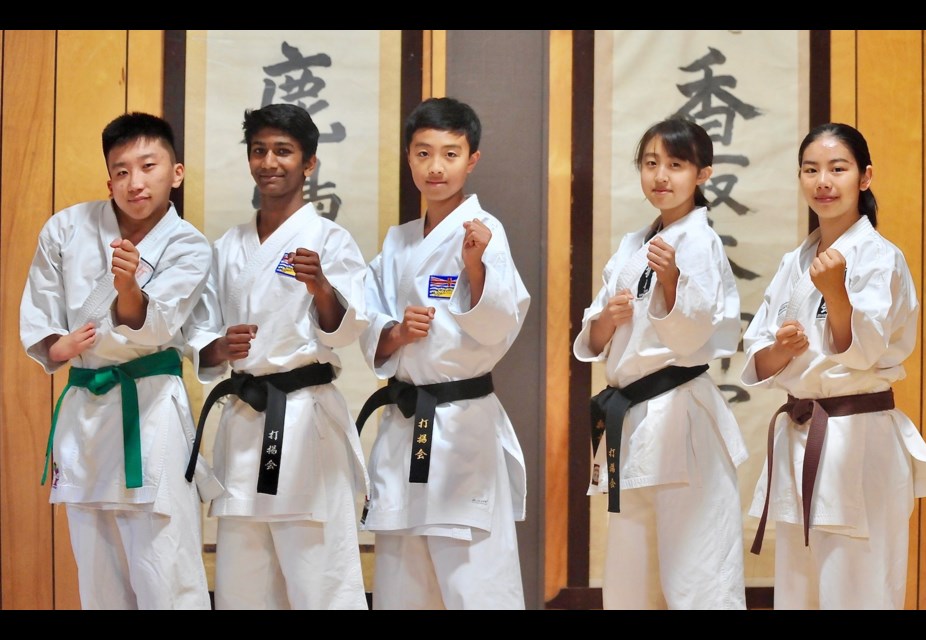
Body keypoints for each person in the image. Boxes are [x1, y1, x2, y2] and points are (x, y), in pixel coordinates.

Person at [19, 112, 219, 609]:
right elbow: (42, 308)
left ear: (176, 173)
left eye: (148, 165)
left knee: (164, 565)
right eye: (122, 170)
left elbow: (155, 326)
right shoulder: (65, 227)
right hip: (86, 409)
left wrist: (128, 285)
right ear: (109, 179)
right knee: (97, 567)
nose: (135, 181)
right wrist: (54, 345)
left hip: (149, 410)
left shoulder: (188, 244)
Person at [741, 122, 926, 610]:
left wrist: (837, 295)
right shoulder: (797, 259)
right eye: (811, 170)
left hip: (858, 439)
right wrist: (784, 350)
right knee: (798, 591)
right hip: (799, 437)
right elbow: (759, 356)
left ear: (864, 177)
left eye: (838, 168)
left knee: (859, 590)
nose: (823, 182)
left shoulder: (879, 258)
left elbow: (865, 351)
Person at [182, 103, 371, 610]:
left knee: (320, 576)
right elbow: (200, 329)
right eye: (259, 150)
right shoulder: (227, 247)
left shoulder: (329, 240)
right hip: (243, 419)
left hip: (305, 418)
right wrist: (219, 347)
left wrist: (322, 287)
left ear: (308, 164)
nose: (269, 162)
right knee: (244, 577)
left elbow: (349, 327)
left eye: (283, 151)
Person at [355, 96, 530, 610]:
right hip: (404, 418)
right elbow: (368, 320)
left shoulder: (483, 232)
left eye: (450, 154)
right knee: (402, 577)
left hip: (459, 427)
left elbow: (502, 321)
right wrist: (394, 332)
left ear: (471, 159)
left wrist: (475, 268)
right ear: (408, 158)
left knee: (475, 579)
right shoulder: (398, 243)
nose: (436, 167)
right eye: (424, 153)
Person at [573, 117, 748, 610]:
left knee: (698, 573)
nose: (661, 176)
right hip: (630, 421)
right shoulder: (632, 245)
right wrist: (607, 318)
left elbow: (697, 330)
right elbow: (593, 337)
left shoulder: (701, 241)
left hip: (680, 416)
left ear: (703, 174)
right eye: (651, 164)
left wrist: (671, 282)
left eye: (675, 164)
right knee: (631, 575)